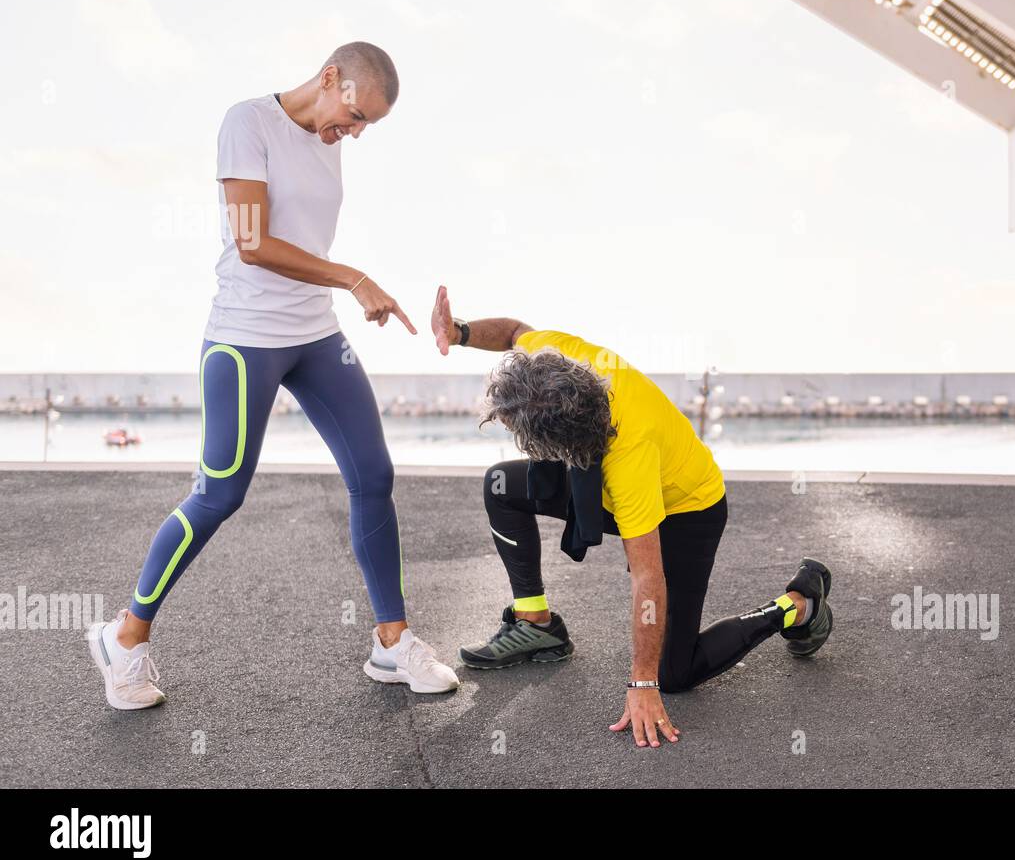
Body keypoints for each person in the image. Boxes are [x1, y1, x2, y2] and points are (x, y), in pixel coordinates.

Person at [87, 42, 458, 710]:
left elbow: (304, 236)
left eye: (365, 126)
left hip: (316, 336)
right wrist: (352, 276)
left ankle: (390, 641)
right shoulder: (247, 123)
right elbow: (253, 244)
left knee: (373, 476)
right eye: (351, 117)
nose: (352, 134)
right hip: (245, 337)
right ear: (328, 78)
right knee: (219, 494)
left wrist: (339, 285)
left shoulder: (331, 133)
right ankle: (126, 634)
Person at [429, 286, 833, 748]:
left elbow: (647, 576)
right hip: (600, 465)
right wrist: (459, 332)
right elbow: (515, 332)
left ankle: (800, 604)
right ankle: (536, 625)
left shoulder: (629, 455)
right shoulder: (557, 356)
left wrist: (643, 685)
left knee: (674, 673)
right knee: (502, 484)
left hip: (688, 507)